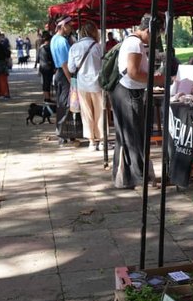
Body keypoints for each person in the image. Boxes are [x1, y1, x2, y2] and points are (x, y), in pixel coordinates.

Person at [110, 14, 164, 188]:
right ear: (148, 30)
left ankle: (127, 178)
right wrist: (158, 80)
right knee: (133, 136)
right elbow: (133, 72)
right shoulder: (135, 43)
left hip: (125, 92)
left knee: (128, 136)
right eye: (155, 35)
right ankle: (138, 177)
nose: (154, 39)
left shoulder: (132, 41)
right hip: (128, 94)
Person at [68, 21, 103, 150]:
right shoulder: (98, 47)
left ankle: (91, 142)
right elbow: (104, 66)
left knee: (86, 113)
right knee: (100, 112)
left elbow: (71, 68)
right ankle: (102, 140)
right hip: (98, 84)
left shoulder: (74, 47)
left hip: (82, 85)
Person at [50, 16, 75, 143]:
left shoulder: (54, 39)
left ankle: (64, 133)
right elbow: (65, 63)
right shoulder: (62, 41)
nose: (71, 27)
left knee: (61, 103)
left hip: (59, 74)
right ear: (63, 25)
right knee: (66, 104)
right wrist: (71, 80)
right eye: (70, 25)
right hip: (64, 73)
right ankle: (62, 134)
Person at [37, 30, 55, 103]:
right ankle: (47, 98)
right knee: (47, 83)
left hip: (42, 67)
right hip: (48, 68)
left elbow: (38, 58)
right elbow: (51, 58)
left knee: (45, 83)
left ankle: (46, 96)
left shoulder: (41, 48)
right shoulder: (48, 48)